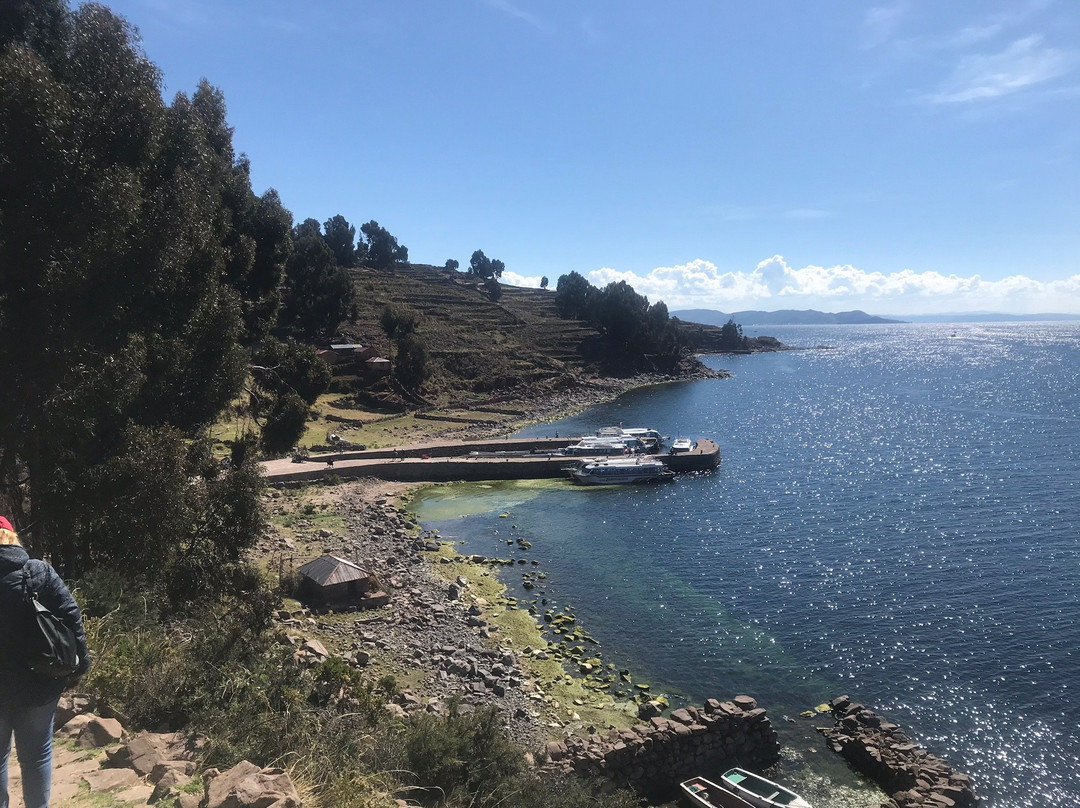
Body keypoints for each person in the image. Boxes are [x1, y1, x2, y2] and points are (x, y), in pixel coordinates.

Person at [0, 516, 90, 808]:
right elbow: (71, 616)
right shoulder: (36, 571)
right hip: (39, 682)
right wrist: (81, 664)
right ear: (12, 538)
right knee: (37, 755)